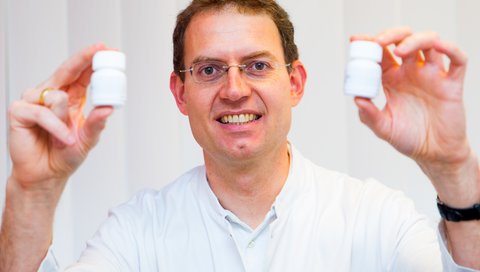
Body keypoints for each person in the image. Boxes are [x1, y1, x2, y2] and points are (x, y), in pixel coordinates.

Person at [1, 0, 479, 271]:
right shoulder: (135, 235)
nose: (234, 89)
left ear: (294, 83)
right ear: (180, 93)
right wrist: (32, 191)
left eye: (257, 66)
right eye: (209, 69)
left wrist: (453, 167)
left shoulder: (376, 220)